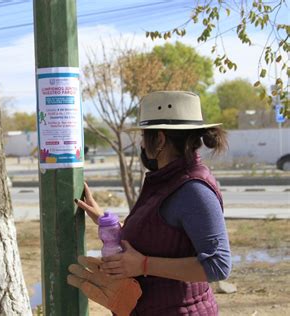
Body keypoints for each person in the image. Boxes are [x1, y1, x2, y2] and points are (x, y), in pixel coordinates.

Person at [74, 91, 232, 315]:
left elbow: (218, 265)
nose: (141, 144)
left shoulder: (193, 189)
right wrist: (104, 220)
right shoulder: (166, 180)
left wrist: (143, 265)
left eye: (143, 137)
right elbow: (159, 237)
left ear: (159, 139)